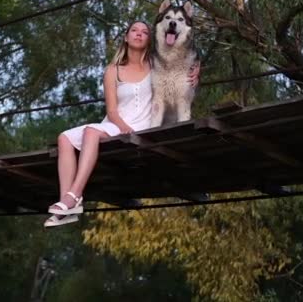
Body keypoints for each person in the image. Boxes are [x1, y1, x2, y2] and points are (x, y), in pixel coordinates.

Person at [44, 21, 199, 227]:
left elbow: (185, 55)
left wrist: (196, 71)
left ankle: (74, 195)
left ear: (148, 40)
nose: (139, 34)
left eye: (144, 32)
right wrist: (123, 127)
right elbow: (112, 111)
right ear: (126, 37)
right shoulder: (112, 70)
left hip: (143, 124)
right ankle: (68, 204)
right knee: (64, 137)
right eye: (134, 30)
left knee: (91, 132)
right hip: (117, 122)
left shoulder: (156, 65)